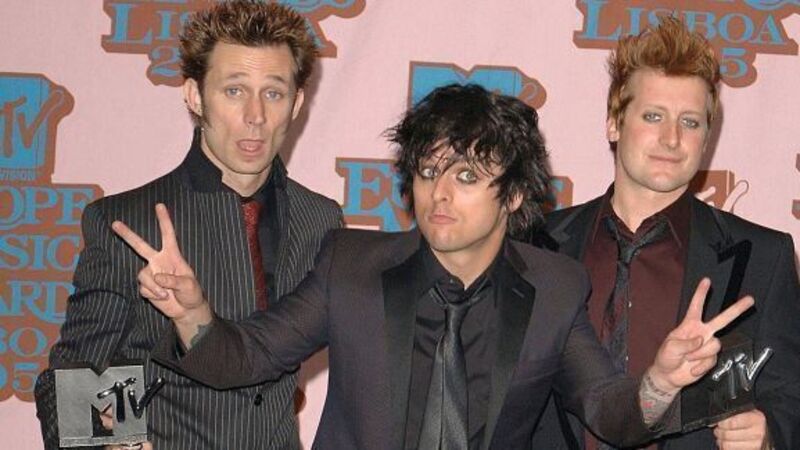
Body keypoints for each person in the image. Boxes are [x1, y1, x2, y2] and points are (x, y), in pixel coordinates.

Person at [113, 84, 753, 450]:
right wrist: (193, 314)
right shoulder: (350, 266)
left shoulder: (554, 288)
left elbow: (609, 412)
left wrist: (660, 381)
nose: (440, 193)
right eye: (427, 171)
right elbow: (246, 357)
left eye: (467, 176)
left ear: (514, 195)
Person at [33, 1, 343, 449]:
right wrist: (107, 444)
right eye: (234, 91)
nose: (255, 115)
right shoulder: (129, 222)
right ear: (195, 96)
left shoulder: (321, 219)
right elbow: (74, 376)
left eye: (273, 93)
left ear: (296, 103)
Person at [529, 17, 800, 450]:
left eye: (690, 122)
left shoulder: (762, 257)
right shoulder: (535, 245)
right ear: (614, 122)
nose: (671, 139)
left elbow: (790, 397)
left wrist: (770, 436)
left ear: (707, 138)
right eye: (653, 116)